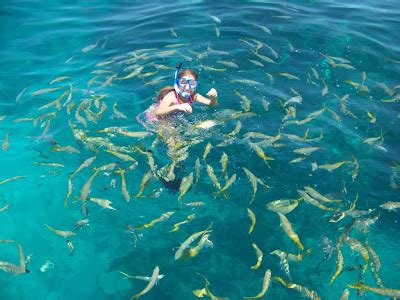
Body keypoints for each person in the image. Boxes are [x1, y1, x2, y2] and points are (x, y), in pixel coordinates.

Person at [145, 62, 218, 121]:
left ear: (196, 85)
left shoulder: (195, 96)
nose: (187, 87)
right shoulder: (171, 96)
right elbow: (158, 112)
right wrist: (178, 106)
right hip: (156, 117)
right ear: (177, 83)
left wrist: (213, 98)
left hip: (173, 115)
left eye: (192, 83)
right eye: (183, 82)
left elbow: (212, 104)